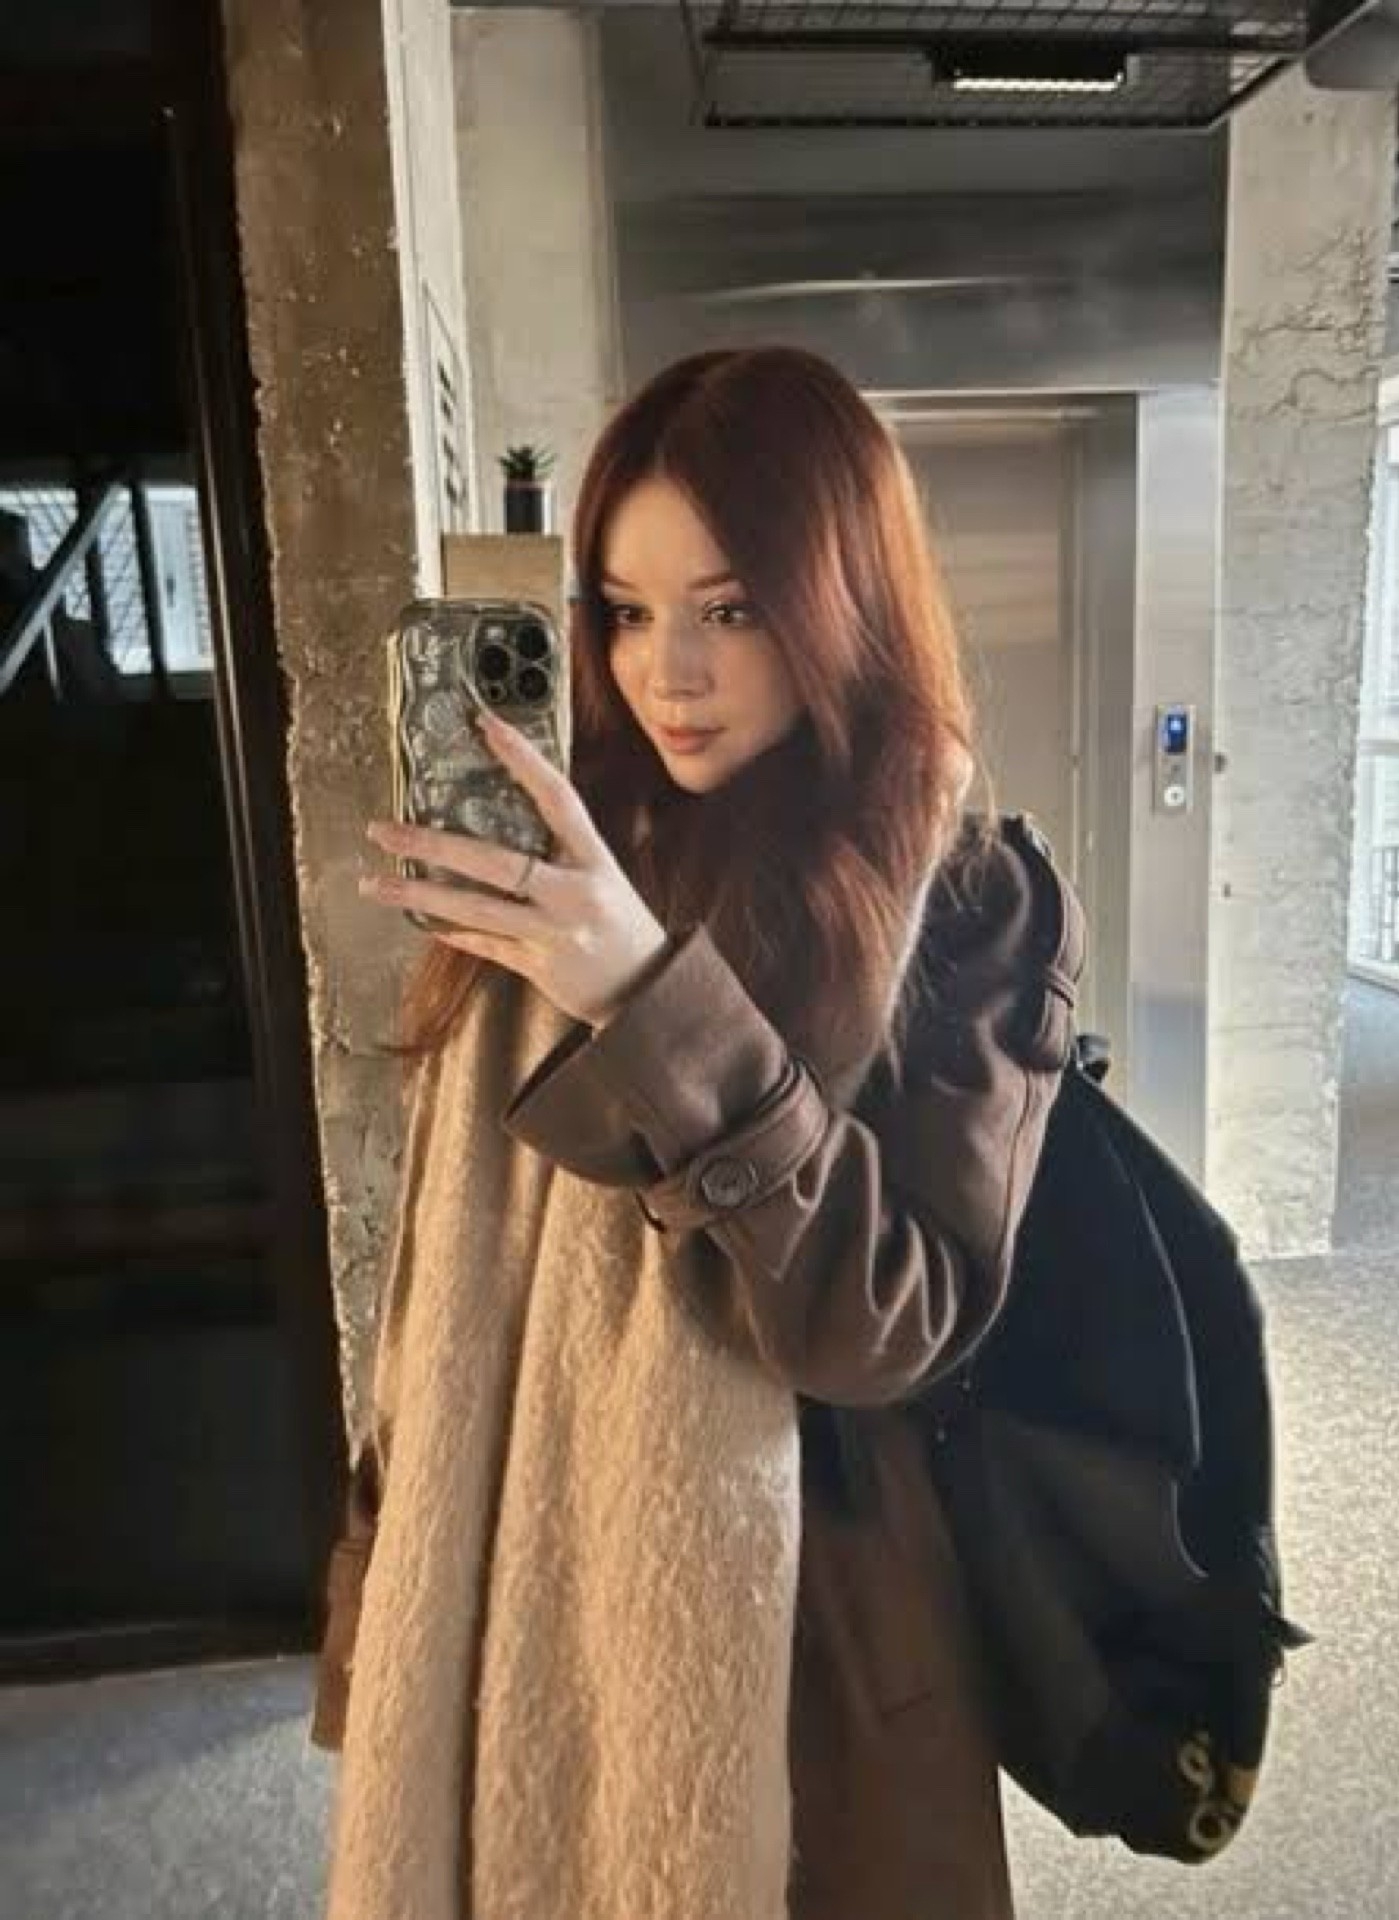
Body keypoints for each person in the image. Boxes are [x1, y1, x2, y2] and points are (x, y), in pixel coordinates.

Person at [318, 345, 1086, 1920]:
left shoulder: (965, 895)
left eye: (730, 612)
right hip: (511, 1585)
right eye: (625, 610)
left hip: (798, 1649)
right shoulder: (565, 850)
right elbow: (441, 1300)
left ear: (841, 603)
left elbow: (896, 1324)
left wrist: (648, 1000)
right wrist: (379, 1611)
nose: (667, 672)